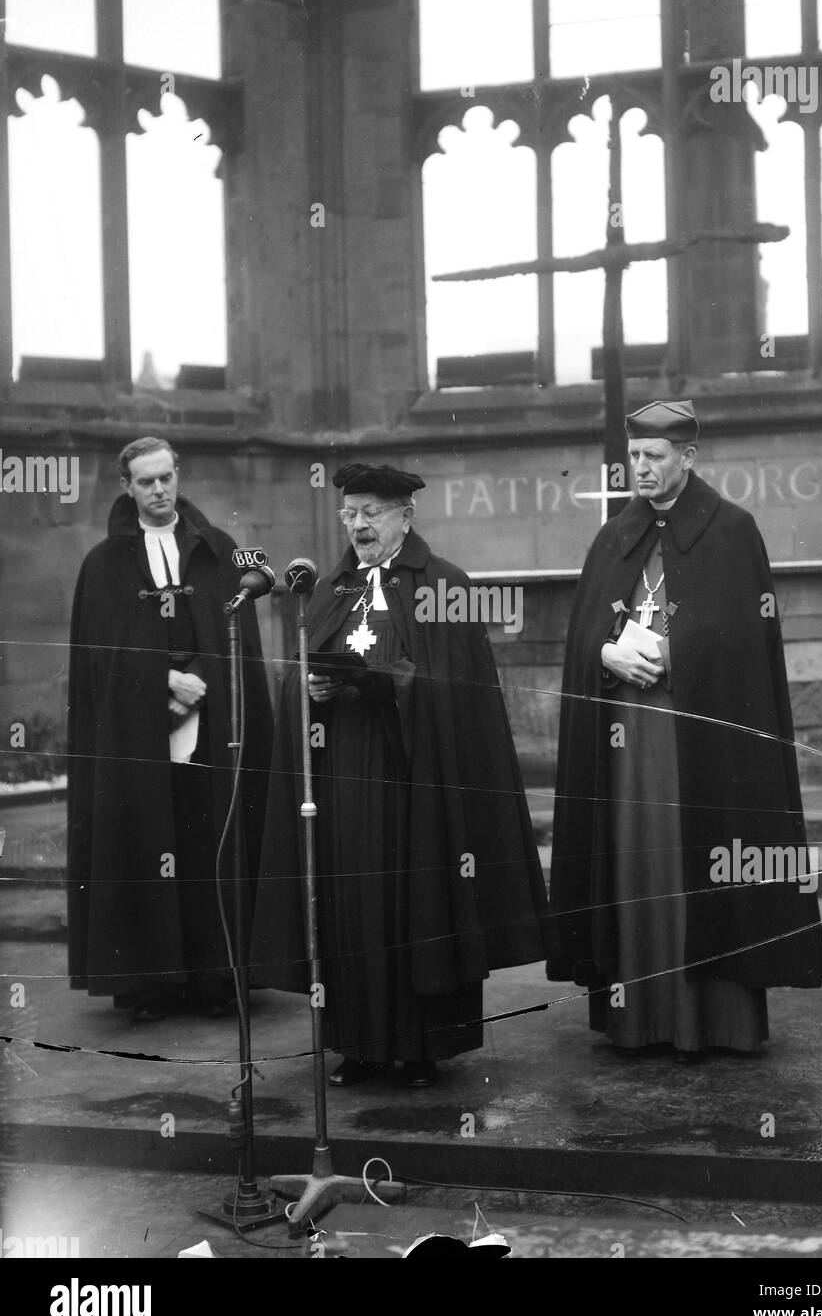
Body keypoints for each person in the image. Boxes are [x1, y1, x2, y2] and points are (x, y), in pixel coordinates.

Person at [250, 462, 550, 1087]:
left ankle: (419, 1050)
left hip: (417, 786)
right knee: (353, 909)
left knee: (414, 905)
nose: (358, 526)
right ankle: (358, 1046)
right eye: (350, 514)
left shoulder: (445, 586)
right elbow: (293, 675)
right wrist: (309, 685)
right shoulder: (331, 587)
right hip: (344, 784)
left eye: (371, 514)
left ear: (405, 517)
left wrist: (387, 684)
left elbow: (457, 696)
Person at [548, 400, 822, 1061]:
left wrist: (678, 656)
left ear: (689, 457)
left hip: (700, 745)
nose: (640, 470)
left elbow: (746, 642)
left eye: (653, 457)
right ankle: (637, 1020)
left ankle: (716, 1025)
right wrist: (604, 653)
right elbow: (585, 630)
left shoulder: (732, 531)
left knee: (702, 868)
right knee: (633, 868)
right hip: (627, 748)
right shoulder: (614, 536)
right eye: (634, 458)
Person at [67, 437, 272, 1022]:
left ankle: (215, 977)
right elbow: (100, 660)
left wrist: (204, 673)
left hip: (212, 725)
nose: (159, 491)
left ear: (178, 475)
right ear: (126, 487)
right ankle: (148, 982)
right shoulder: (104, 564)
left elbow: (241, 641)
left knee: (207, 834)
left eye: (166, 477)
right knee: (146, 836)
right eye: (145, 482)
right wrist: (163, 679)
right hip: (138, 735)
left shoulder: (218, 549)